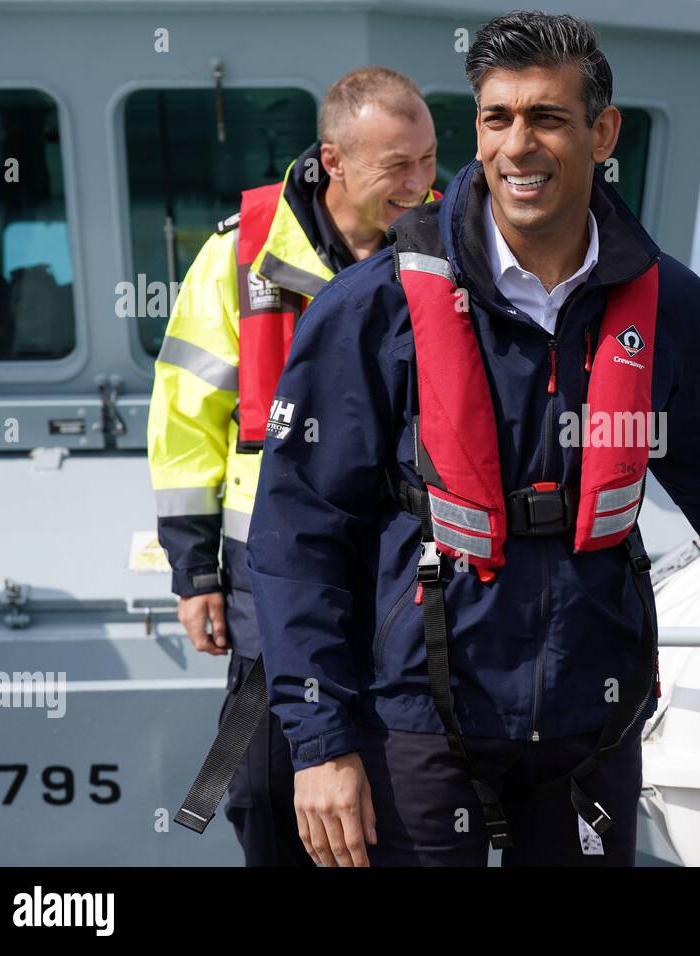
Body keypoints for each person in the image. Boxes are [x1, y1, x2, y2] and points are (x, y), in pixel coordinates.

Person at [247, 11, 700, 868]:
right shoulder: (374, 307)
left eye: (547, 118)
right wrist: (322, 741)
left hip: (594, 711)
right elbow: (300, 534)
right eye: (497, 118)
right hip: (421, 714)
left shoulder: (664, 305)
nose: (519, 145)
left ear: (602, 132)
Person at [146, 66, 439, 866]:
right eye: (397, 169)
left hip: (409, 577)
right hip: (269, 573)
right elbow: (186, 414)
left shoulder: (453, 247)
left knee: (404, 798)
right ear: (335, 160)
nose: (421, 187)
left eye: (429, 162)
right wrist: (193, 573)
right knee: (269, 796)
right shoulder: (236, 256)